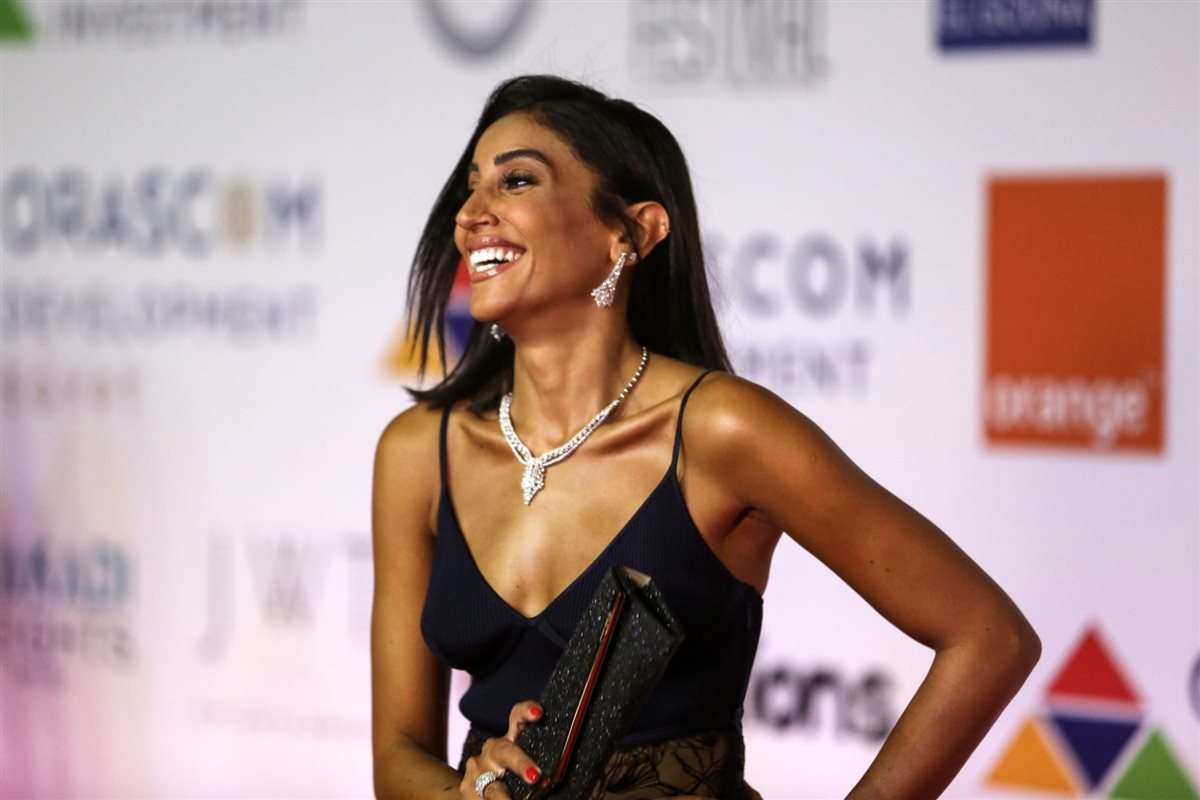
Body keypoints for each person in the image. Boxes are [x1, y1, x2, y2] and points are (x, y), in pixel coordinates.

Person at [370, 75, 1040, 800]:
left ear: (632, 232)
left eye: (517, 181)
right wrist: (465, 795)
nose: (471, 215)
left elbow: (988, 638)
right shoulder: (418, 453)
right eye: (470, 188)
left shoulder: (723, 432)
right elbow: (398, 756)